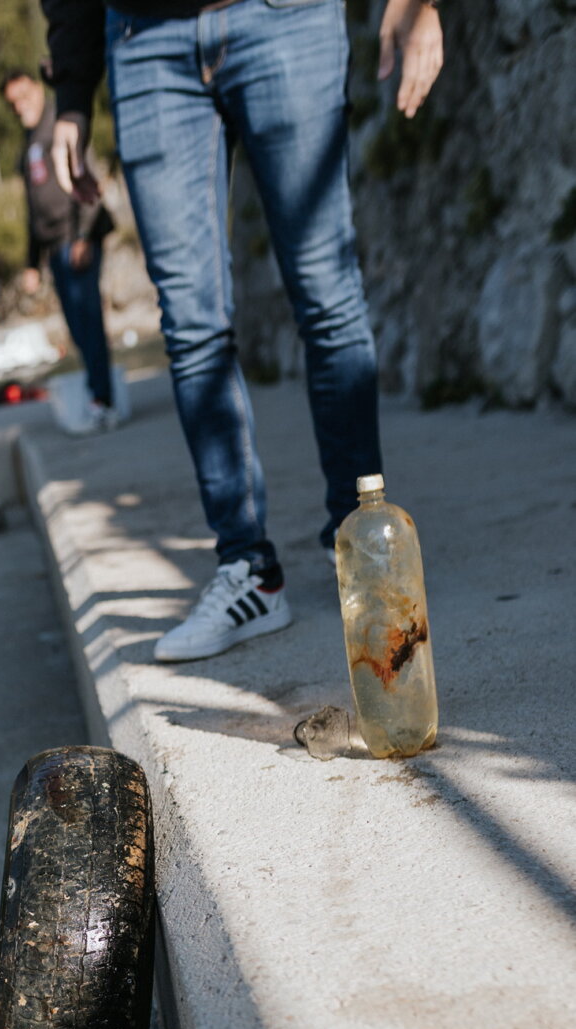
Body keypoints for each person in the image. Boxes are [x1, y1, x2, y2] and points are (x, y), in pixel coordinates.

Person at [42, 0, 443, 661]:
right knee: (191, 322)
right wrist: (73, 91)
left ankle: (365, 547)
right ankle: (248, 571)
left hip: (285, 17)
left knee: (327, 294)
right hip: (144, 40)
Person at [1, 66, 117, 435]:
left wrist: (83, 235)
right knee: (76, 327)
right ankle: (97, 391)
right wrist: (31, 262)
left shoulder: (59, 123)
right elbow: (33, 208)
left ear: (37, 89)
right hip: (53, 247)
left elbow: (87, 178)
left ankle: (104, 399)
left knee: (89, 320)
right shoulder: (29, 142)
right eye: (12, 103)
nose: (20, 107)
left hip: (77, 238)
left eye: (24, 97)